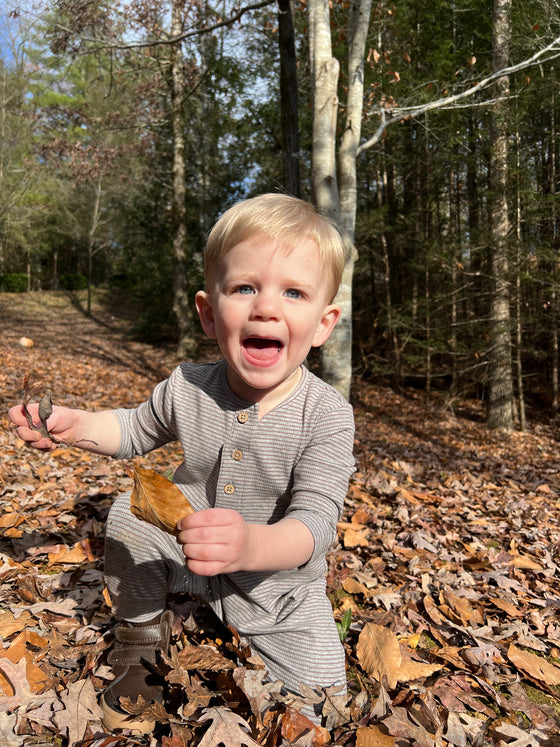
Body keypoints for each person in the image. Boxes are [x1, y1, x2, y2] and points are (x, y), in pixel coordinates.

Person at [9, 193, 356, 733]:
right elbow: (131, 430)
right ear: (208, 313)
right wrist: (76, 426)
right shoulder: (188, 387)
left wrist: (251, 546)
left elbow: (315, 524)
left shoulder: (327, 416)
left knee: (323, 698)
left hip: (278, 589)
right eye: (244, 288)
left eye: (294, 292)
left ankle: (283, 661)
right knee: (127, 517)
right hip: (186, 544)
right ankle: (141, 637)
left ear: (323, 323)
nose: (266, 307)